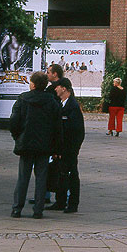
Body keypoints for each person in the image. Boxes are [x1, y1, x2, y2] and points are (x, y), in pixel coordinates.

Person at [9, 71, 62, 219]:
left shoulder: (23, 99)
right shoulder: (51, 101)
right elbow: (57, 127)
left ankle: (17, 208)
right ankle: (38, 210)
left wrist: (17, 137)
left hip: (26, 143)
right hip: (44, 145)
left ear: (32, 84)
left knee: (23, 177)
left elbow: (14, 121)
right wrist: (56, 146)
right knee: (41, 178)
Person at [46, 78, 85, 213]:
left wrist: (72, 150)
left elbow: (77, 131)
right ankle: (60, 201)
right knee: (62, 174)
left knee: (71, 175)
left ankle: (73, 203)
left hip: (69, 149)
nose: (55, 89)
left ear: (64, 88)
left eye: (57, 87)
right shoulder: (63, 104)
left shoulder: (72, 106)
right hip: (62, 149)